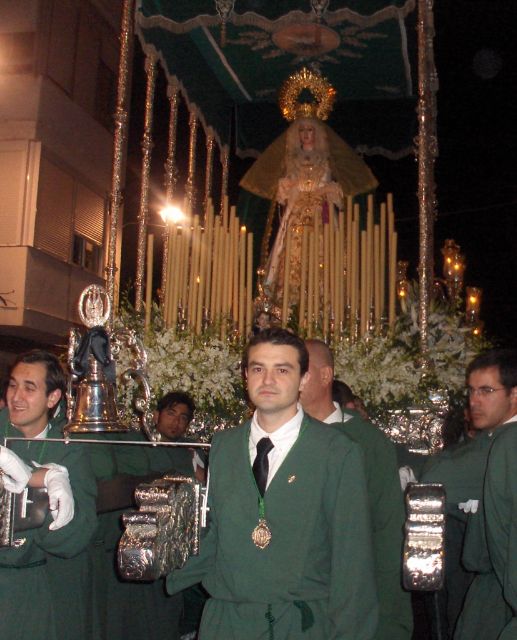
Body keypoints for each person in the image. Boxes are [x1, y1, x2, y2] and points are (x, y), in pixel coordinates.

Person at [167, 328, 378, 639]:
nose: (267, 380)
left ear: (304, 379)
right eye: (258, 369)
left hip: (298, 622)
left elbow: (353, 562)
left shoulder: (336, 452)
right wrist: (167, 557)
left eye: (282, 369)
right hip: (227, 622)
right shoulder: (224, 446)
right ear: (245, 376)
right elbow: (216, 534)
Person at [300, 339, 413, 640]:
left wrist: (386, 608)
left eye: (301, 368)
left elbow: (386, 525)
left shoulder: (365, 441)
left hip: (348, 588)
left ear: (325, 376)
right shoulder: (275, 435)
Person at [0, 350, 97, 640]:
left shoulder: (69, 450)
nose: (17, 396)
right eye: (13, 384)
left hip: (34, 588)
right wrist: (39, 476)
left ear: (53, 398)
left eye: (30, 388)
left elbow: (76, 536)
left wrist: (44, 497)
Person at [421, 349, 517, 639]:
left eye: (486, 391)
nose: (474, 401)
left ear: (514, 394)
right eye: (471, 391)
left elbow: (434, 479)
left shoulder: (504, 445)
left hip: (498, 595)